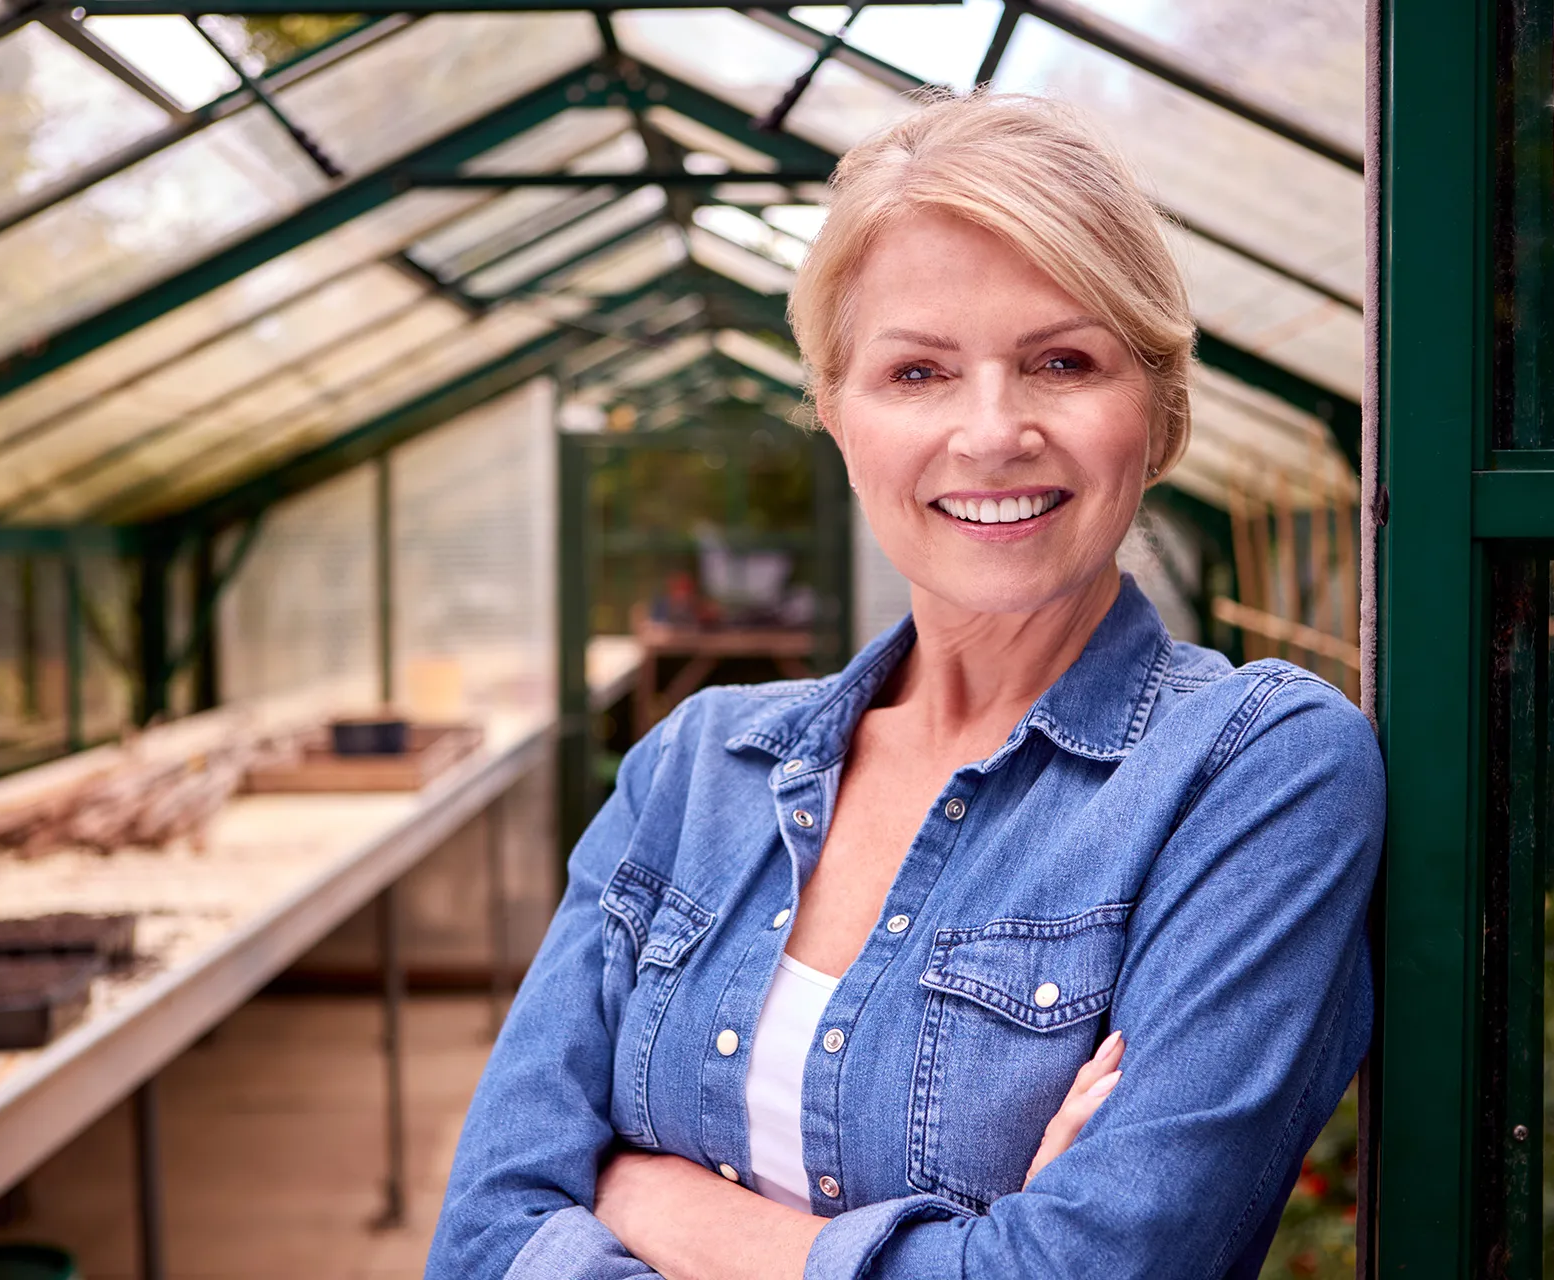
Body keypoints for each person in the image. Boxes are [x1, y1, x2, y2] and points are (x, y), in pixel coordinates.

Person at [426, 93, 1383, 1280]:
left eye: (1062, 360)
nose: (992, 432)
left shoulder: (1252, 768)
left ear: (1160, 405)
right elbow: (478, 1236)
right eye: (919, 370)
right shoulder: (694, 767)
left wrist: (640, 1193)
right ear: (837, 414)